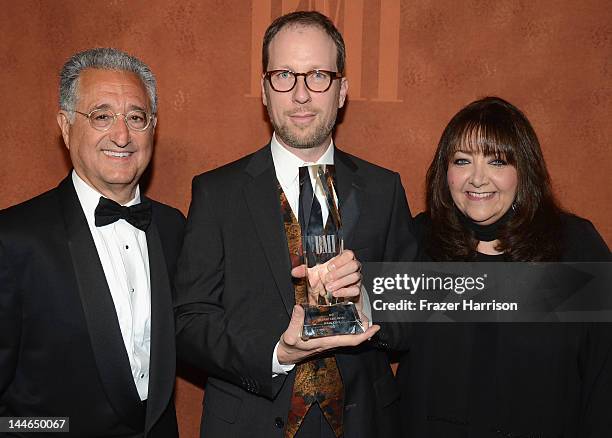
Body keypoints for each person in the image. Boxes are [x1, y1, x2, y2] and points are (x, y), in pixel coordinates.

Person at [174, 11, 417, 438]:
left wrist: (366, 302)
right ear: (265, 92)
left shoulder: (384, 189)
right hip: (250, 422)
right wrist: (276, 352)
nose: (301, 94)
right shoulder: (217, 193)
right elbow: (190, 321)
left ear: (342, 90)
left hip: (365, 423)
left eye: (318, 75)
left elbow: (412, 316)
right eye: (284, 75)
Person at [395, 96, 612, 437]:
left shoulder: (574, 247)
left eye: (497, 162)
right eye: (463, 160)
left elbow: (604, 374)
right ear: (445, 172)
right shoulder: (417, 242)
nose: (477, 179)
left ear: (523, 171)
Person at [0, 48, 184, 437]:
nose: (122, 135)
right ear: (66, 127)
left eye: (136, 118)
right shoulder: (13, 239)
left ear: (153, 128)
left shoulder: (174, 229)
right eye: (102, 116)